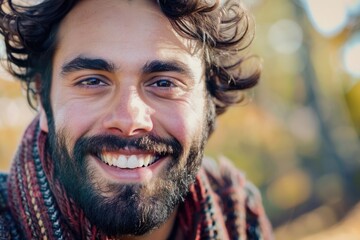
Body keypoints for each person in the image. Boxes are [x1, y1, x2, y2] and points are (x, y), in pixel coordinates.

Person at [0, 0, 273, 239]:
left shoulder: (242, 220)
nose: (130, 120)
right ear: (42, 99)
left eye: (164, 83)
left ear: (209, 101)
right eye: (92, 81)